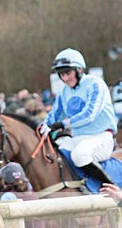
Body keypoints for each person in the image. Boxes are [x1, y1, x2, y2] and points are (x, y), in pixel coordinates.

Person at [40, 48, 117, 185]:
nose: (64, 78)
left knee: (79, 156)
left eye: (68, 73)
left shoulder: (95, 84)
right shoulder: (64, 92)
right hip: (77, 138)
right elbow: (54, 115)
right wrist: (42, 126)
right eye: (61, 75)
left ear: (79, 70)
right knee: (54, 153)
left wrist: (61, 125)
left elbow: (89, 115)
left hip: (101, 137)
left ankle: (112, 187)